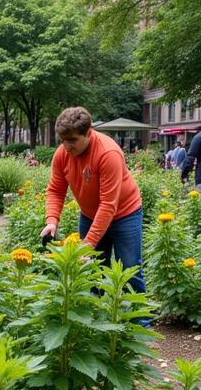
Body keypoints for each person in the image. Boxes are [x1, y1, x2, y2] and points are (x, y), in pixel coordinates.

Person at [41, 107, 146, 296]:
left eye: (72, 140)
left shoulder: (108, 153)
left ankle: (140, 322)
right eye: (62, 140)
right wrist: (51, 221)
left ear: (88, 133)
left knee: (130, 270)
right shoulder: (62, 154)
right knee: (92, 271)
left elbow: (108, 204)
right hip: (90, 215)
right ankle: (96, 320)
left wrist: (87, 244)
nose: (66, 146)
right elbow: (56, 190)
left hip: (125, 214)